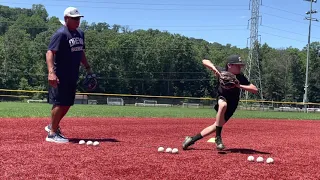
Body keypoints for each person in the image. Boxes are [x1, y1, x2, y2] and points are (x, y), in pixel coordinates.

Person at [182, 55, 258, 150]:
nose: (240, 67)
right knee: (223, 105)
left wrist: (239, 86)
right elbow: (204, 60)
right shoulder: (221, 71)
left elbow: (255, 89)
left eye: (241, 65)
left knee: (216, 125)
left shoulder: (240, 77)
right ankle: (218, 138)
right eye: (238, 65)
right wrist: (214, 69)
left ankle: (192, 139)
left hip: (233, 104)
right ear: (229, 65)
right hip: (222, 97)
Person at [45, 7, 94, 143]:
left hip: (73, 74)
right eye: (74, 18)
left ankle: (51, 126)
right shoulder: (61, 34)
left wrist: (88, 68)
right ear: (67, 19)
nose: (77, 21)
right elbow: (50, 52)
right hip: (60, 74)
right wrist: (51, 72)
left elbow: (81, 52)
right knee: (59, 102)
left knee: (67, 103)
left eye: (79, 18)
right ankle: (52, 134)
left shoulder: (80, 33)